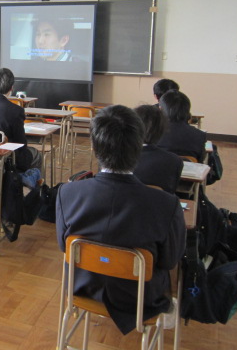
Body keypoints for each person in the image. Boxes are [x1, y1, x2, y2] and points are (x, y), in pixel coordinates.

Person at [56, 105, 185, 335]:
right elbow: (169, 260)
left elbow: (63, 246)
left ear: (93, 146)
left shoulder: (68, 193)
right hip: (141, 299)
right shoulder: (166, 205)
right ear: (138, 146)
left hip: (82, 288)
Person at [133, 104, 183, 194]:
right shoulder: (174, 161)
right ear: (162, 130)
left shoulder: (118, 156)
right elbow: (171, 192)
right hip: (158, 202)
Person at [157, 90, 206, 162]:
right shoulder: (200, 135)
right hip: (189, 169)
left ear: (161, 109)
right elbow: (200, 161)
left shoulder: (154, 133)